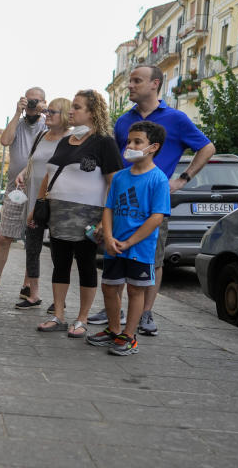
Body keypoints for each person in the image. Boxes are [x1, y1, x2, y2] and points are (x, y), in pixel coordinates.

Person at [87, 65, 216, 335]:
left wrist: (183, 179)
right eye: (130, 80)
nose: (130, 85)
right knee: (118, 252)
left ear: (155, 84)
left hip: (154, 200)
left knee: (152, 259)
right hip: (123, 199)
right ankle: (115, 309)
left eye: (137, 80)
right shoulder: (123, 121)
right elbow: (116, 161)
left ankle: (145, 313)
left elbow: (207, 147)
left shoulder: (176, 118)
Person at [34, 89, 122, 337]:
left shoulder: (105, 142)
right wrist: (38, 206)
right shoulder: (66, 140)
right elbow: (50, 174)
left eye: (77, 107)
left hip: (89, 216)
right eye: (71, 106)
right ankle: (58, 314)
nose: (71, 111)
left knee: (85, 264)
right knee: (59, 264)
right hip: (59, 213)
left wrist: (106, 221)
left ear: (92, 113)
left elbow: (114, 183)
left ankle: (82, 318)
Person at [87, 121, 170, 355]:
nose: (130, 146)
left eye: (137, 142)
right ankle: (114, 330)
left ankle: (129, 336)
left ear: (153, 147)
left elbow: (156, 217)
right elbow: (108, 208)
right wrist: (110, 237)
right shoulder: (121, 177)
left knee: (136, 291)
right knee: (109, 287)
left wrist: (130, 242)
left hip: (140, 249)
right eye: (129, 141)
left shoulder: (158, 179)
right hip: (115, 246)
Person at [0, 87, 46, 299]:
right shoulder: (18, 123)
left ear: (44, 102)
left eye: (36, 101)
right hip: (15, 188)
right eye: (29, 100)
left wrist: (46, 112)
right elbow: (5, 141)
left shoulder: (47, 125)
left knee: (32, 240)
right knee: (5, 236)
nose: (32, 105)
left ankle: (27, 284)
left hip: (39, 189)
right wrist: (17, 113)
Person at [13, 97, 72, 311]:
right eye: (46, 111)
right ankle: (33, 294)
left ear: (64, 115)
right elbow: (33, 162)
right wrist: (22, 173)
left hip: (58, 201)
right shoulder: (40, 136)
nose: (46, 114)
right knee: (32, 247)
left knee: (59, 253)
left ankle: (59, 299)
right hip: (36, 200)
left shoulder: (73, 138)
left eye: (52, 112)